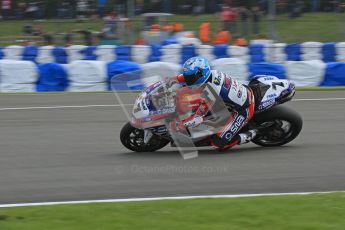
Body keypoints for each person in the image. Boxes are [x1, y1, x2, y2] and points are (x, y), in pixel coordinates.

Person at [174, 56, 256, 150]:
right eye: (187, 77)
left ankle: (250, 134)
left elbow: (197, 118)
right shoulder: (210, 74)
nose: (187, 80)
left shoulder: (212, 91)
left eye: (190, 78)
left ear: (200, 75)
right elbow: (182, 78)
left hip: (244, 109)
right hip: (235, 97)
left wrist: (180, 124)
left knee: (218, 144)